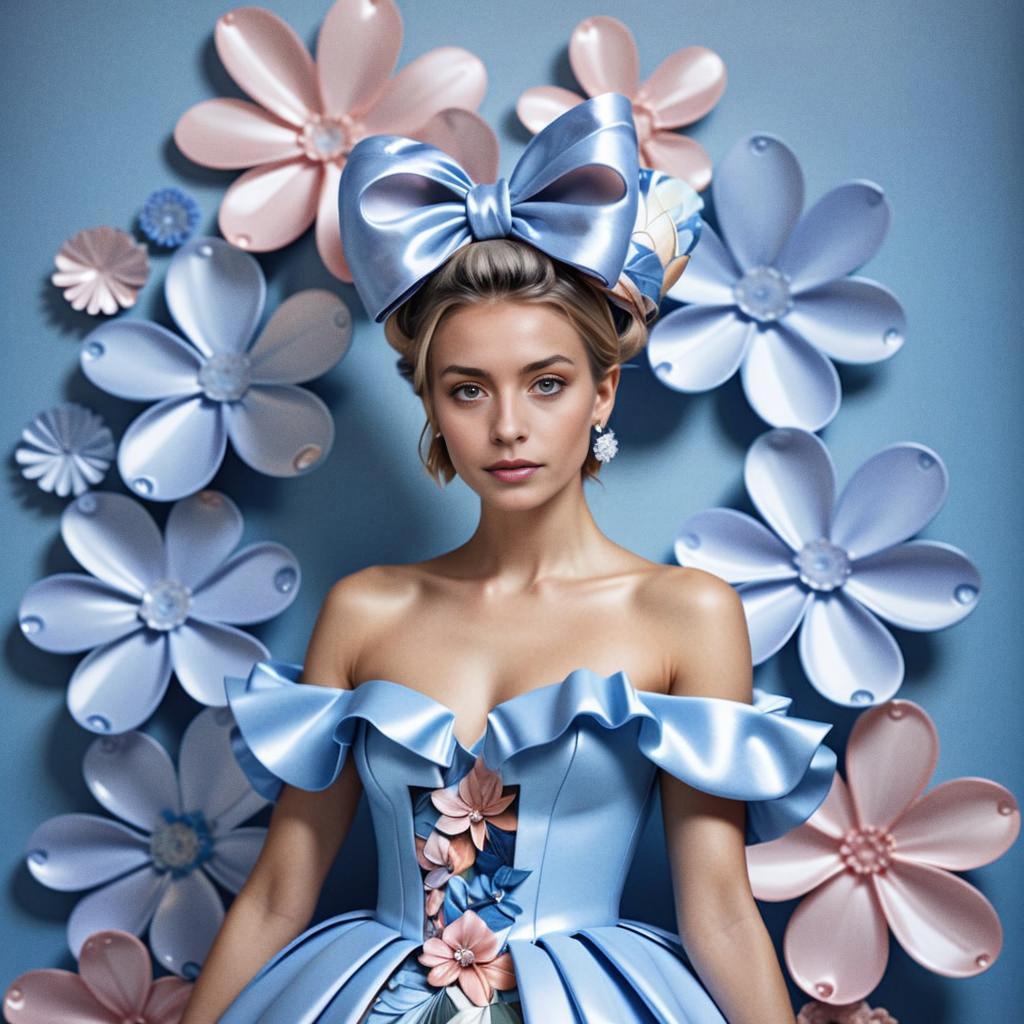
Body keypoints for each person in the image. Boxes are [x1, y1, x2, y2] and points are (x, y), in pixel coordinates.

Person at [180, 92, 836, 1024]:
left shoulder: (686, 615)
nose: (508, 426)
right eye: (467, 389)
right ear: (433, 406)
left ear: (604, 394)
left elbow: (721, 915)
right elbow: (283, 892)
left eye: (548, 382)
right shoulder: (365, 611)